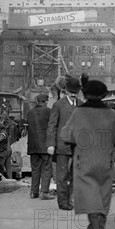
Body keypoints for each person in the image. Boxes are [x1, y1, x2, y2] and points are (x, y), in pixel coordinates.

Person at [61, 80, 115, 229]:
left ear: (85, 94)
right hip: (105, 162)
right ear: (104, 95)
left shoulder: (78, 113)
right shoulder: (110, 114)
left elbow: (66, 136)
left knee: (90, 198)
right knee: (102, 198)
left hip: (84, 162)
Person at [47, 77, 81, 210]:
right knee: (61, 176)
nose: (73, 95)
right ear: (66, 91)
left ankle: (71, 200)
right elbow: (52, 126)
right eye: (71, 92)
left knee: (75, 175)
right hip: (62, 146)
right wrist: (50, 144)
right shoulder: (58, 105)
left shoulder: (82, 104)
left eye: (75, 92)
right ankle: (63, 202)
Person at [27, 93, 54, 200]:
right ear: (46, 101)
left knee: (35, 169)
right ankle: (44, 192)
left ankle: (33, 192)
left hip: (33, 146)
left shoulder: (30, 112)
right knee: (47, 169)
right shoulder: (48, 111)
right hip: (45, 146)